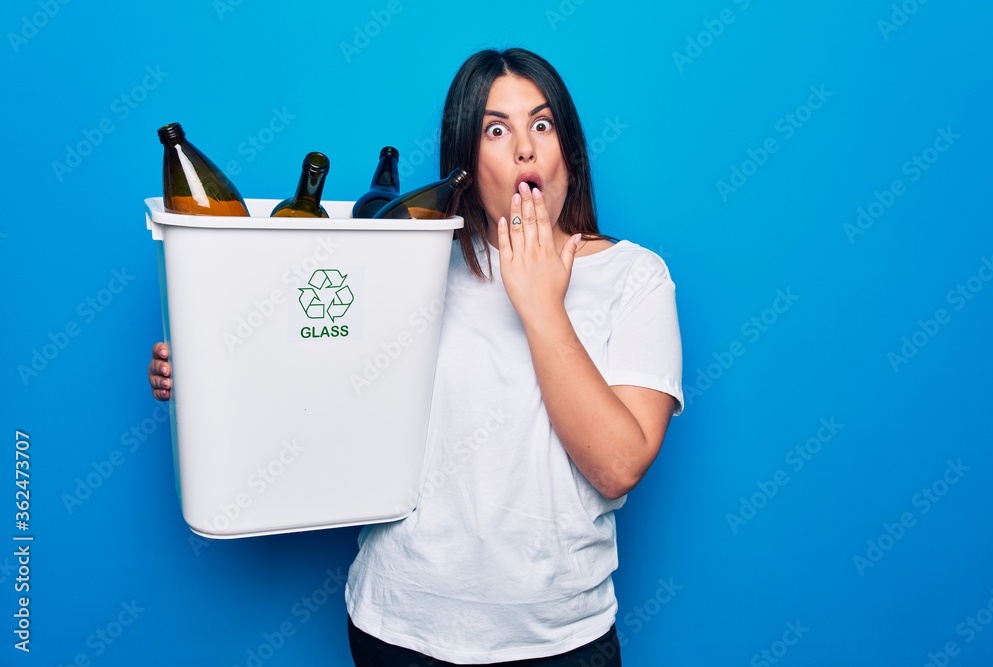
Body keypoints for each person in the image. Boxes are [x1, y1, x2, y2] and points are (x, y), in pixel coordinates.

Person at [149, 47, 683, 666]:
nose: (524, 149)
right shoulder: (411, 262)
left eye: (542, 124)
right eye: (495, 129)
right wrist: (207, 368)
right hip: (399, 631)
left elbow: (618, 465)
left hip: (561, 640)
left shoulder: (635, 277)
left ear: (569, 149)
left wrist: (540, 304)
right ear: (466, 161)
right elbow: (317, 386)